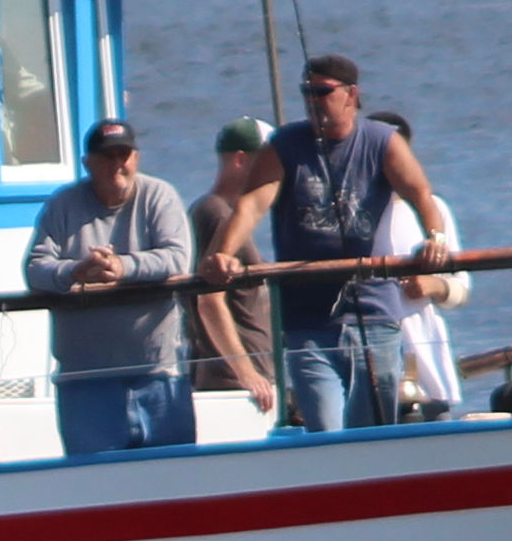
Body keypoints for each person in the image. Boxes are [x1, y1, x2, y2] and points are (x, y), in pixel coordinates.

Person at [207, 54, 452, 432]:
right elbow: (253, 203)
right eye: (307, 92)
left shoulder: (381, 141)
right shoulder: (285, 145)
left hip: (373, 309)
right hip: (308, 317)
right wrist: (223, 253)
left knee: (375, 422)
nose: (313, 101)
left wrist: (435, 238)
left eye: (322, 92)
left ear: (351, 95)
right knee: (324, 424)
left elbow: (420, 193)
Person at [24, 118, 194, 455]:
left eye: (124, 154)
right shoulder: (62, 204)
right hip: (85, 381)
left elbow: (178, 257)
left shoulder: (160, 196)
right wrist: (77, 271)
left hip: (158, 374)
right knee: (96, 486)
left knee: (173, 483)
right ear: (87, 163)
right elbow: (34, 269)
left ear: (136, 158)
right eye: (107, 156)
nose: (117, 164)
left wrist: (122, 267)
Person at [369, 109, 470, 421]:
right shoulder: (351, 214)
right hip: (373, 351)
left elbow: (461, 289)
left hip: (425, 356)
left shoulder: (434, 209)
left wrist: (434, 285)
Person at [191, 117, 281, 419]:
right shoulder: (216, 214)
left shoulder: (230, 214)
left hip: (252, 384)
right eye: (267, 161)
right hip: (232, 386)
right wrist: (246, 372)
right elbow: (209, 301)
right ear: (242, 160)